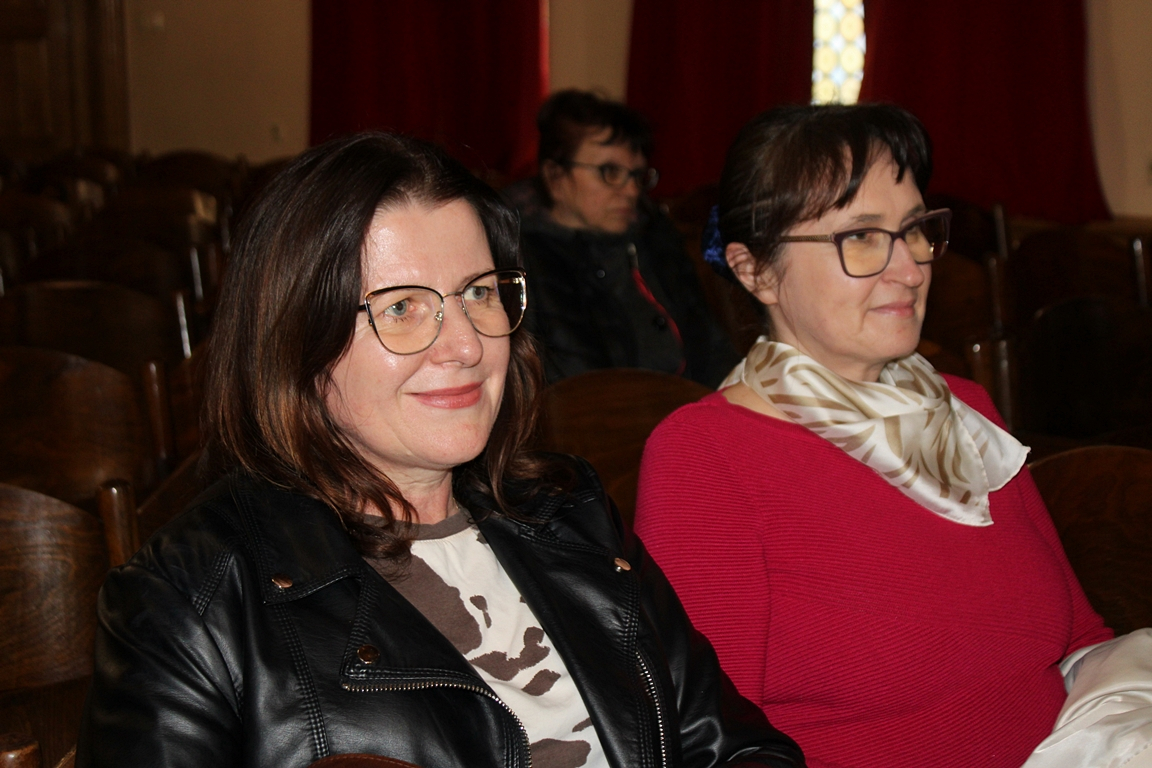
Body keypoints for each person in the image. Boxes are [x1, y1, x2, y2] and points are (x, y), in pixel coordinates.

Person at [76, 132, 804, 768]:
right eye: (402, 307)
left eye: (479, 293)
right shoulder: (187, 601)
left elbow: (738, 749)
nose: (466, 345)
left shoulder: (569, 512)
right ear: (298, 339)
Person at [633, 105, 1128, 768]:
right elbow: (708, 744)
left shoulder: (964, 409)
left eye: (914, 230)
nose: (911, 268)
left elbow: (1079, 637)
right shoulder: (705, 457)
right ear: (756, 272)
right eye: (862, 237)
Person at [511, 89, 737, 386]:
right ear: (555, 176)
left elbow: (712, 345)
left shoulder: (657, 237)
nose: (631, 191)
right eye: (610, 171)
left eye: (636, 175)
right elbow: (576, 387)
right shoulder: (520, 258)